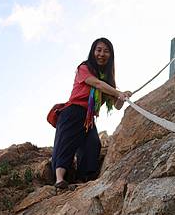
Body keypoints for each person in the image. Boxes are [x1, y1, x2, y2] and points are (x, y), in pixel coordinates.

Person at [52, 37, 132, 188]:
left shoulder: (108, 80)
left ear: (111, 55)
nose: (102, 54)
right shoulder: (84, 68)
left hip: (88, 117)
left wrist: (124, 95)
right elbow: (96, 84)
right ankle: (59, 179)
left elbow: (117, 105)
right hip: (73, 111)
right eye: (99, 50)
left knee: (92, 144)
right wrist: (117, 92)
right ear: (93, 52)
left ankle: (83, 179)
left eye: (106, 51)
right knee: (66, 142)